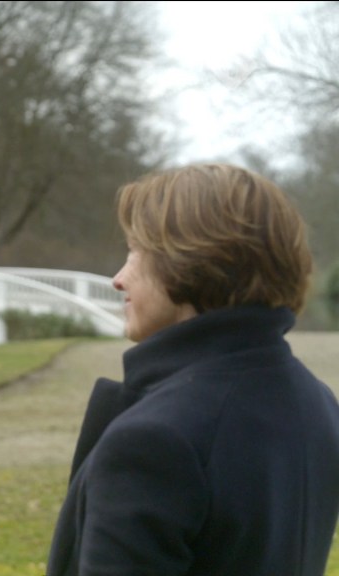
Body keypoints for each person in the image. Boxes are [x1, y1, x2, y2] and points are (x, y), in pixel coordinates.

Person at [46, 163, 339, 575]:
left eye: (135, 252)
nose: (118, 278)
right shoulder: (317, 401)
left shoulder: (154, 439)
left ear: (186, 261)